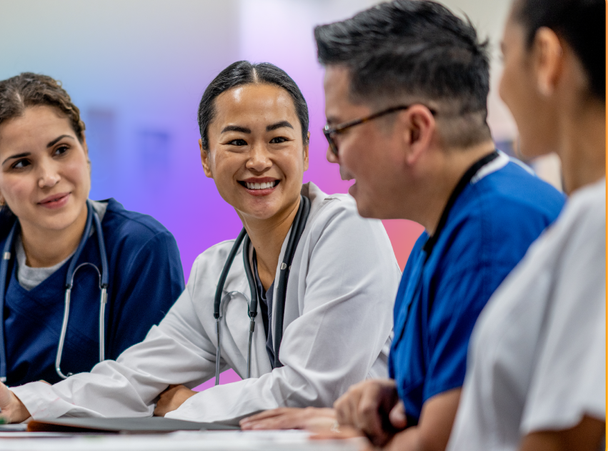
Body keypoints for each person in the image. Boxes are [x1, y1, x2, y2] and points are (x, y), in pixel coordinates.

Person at [0, 61, 401, 425]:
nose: (258, 161)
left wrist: (187, 406)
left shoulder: (347, 227)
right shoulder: (218, 271)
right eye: (237, 141)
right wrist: (26, 402)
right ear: (206, 156)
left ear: (304, 150)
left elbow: (315, 391)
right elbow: (136, 375)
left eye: (278, 139)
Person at [239, 2, 565, 450]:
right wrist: (387, 403)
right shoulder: (439, 236)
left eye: (339, 130)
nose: (333, 156)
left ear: (414, 131)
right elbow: (434, 412)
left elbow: (439, 444)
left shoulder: (494, 234)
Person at [0, 73, 185, 410]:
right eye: (21, 163)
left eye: (61, 149)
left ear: (84, 145)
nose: (49, 177)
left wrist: (14, 405)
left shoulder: (141, 247)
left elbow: (150, 391)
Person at [447, 0, 606, 449]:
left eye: (504, 55)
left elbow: (563, 437)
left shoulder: (599, 219)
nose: (499, 88)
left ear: (546, 59)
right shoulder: (583, 215)